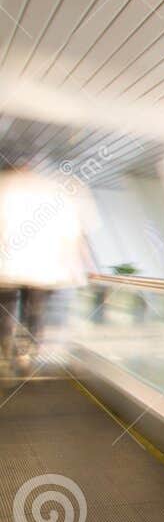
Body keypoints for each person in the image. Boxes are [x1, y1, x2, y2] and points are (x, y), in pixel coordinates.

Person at [0, 159, 95, 373]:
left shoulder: (5, 187)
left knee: (5, 313)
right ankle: (25, 354)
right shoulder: (56, 192)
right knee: (34, 314)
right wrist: (81, 264)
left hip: (7, 270)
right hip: (41, 272)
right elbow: (72, 234)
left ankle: (7, 353)